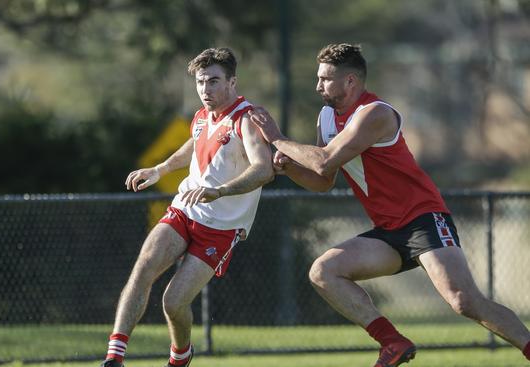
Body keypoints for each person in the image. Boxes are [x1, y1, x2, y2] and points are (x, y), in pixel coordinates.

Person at [249, 43, 530, 367]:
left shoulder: (375, 113)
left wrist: (277, 138)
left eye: (326, 79)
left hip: (423, 218)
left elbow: (324, 162)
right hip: (389, 230)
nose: (318, 86)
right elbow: (323, 181)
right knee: (324, 271)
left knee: (463, 301)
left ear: (351, 81)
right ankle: (392, 342)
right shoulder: (326, 116)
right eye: (319, 78)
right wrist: (288, 167)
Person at [99, 47, 273, 367]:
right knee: (143, 268)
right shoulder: (201, 116)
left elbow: (264, 169)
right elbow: (192, 145)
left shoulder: (246, 119)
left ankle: (181, 355)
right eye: (201, 82)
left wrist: (219, 191)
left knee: (173, 303)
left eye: (214, 82)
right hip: (184, 209)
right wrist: (160, 169)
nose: (205, 90)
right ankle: (115, 357)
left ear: (232, 82)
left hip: (220, 229)